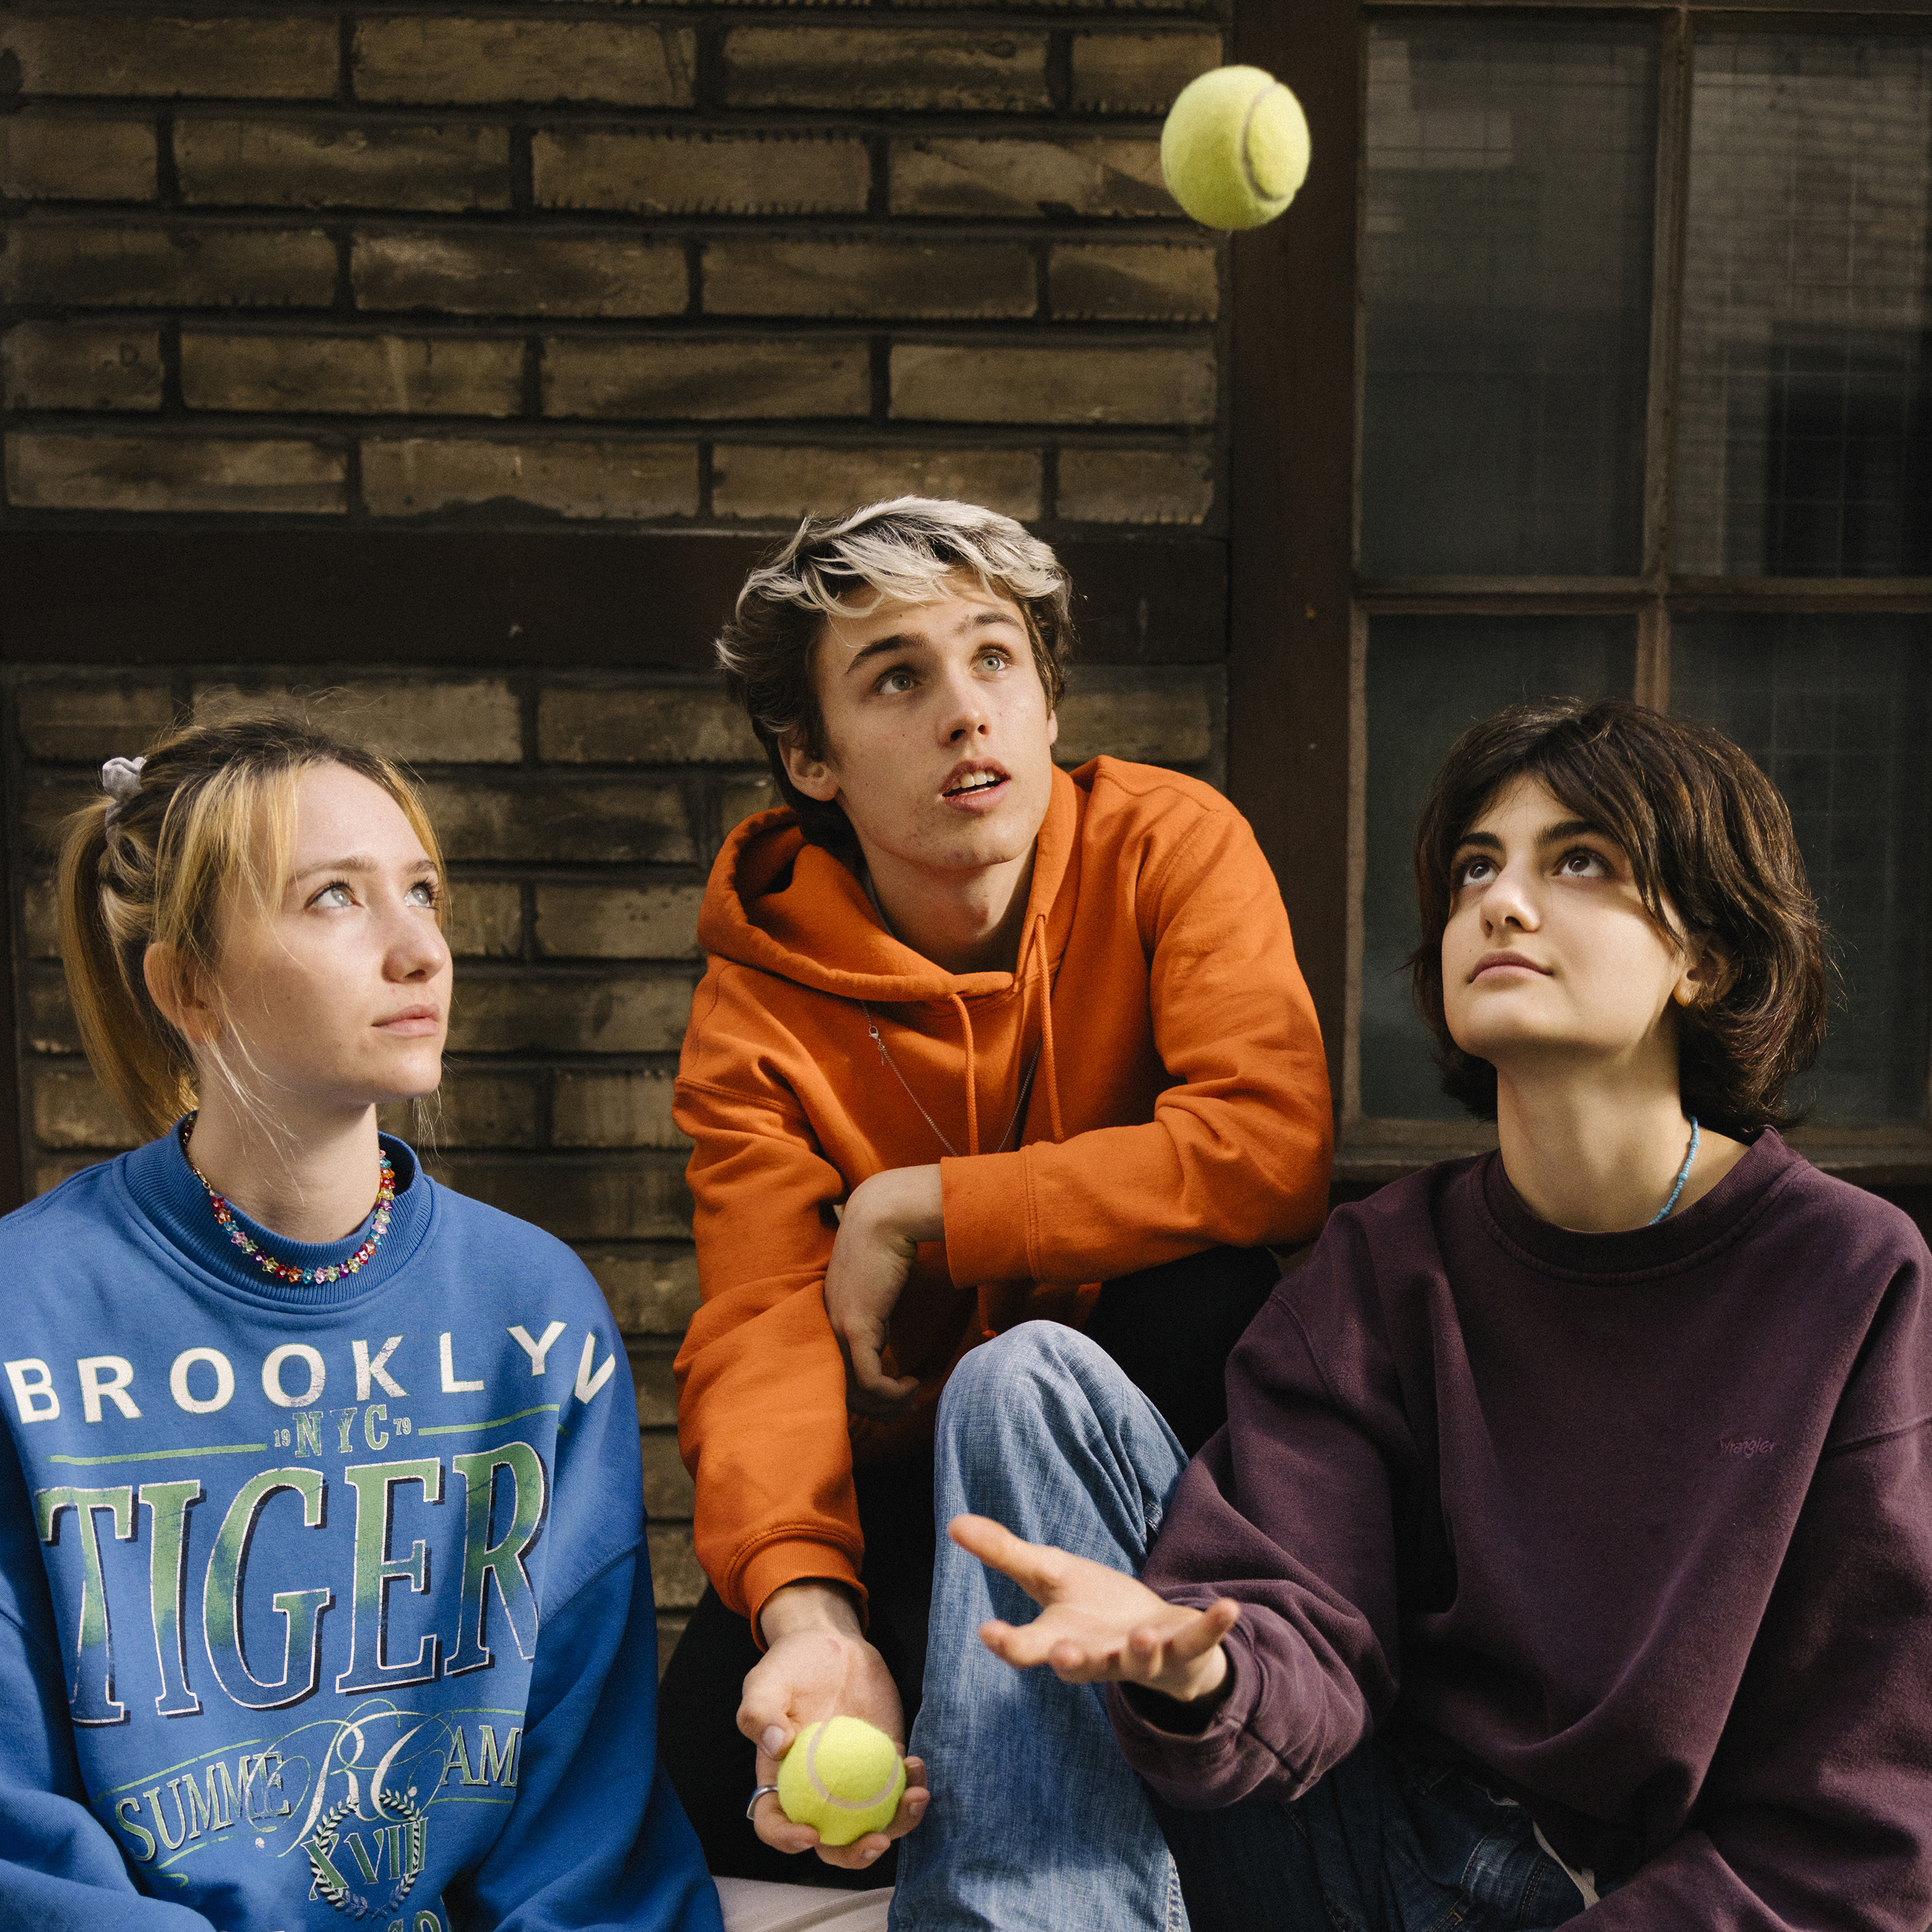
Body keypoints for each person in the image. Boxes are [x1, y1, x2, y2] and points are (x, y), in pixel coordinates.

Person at [931, 697, 1932, 1931]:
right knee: (1020, 1382)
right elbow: (1299, 1605)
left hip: (1632, 1898)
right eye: (1477, 867)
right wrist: (1201, 1666)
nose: (1503, 903)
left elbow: (1858, 1806)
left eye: (1581, 861)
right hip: (1376, 1850)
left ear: (1705, 959)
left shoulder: (1848, 1278)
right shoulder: (1384, 1266)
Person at [658, 498, 1334, 1891]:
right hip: (929, 1481)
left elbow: (1268, 1143)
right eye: (895, 677)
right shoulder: (757, 1003)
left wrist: (927, 1207)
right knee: (722, 1777)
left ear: (1043, 693)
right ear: (810, 756)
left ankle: (1169, 1800)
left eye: (994, 659)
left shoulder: (1166, 842)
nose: (966, 711)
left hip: (1168, 1464)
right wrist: (808, 1614)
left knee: (1199, 1283)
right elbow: (764, 1320)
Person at [0, 716, 721, 1932]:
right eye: (335, 897)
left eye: (423, 893)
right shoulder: (28, 1311)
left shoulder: (533, 1313)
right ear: (189, 985)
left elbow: (583, 1820)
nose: (419, 951)